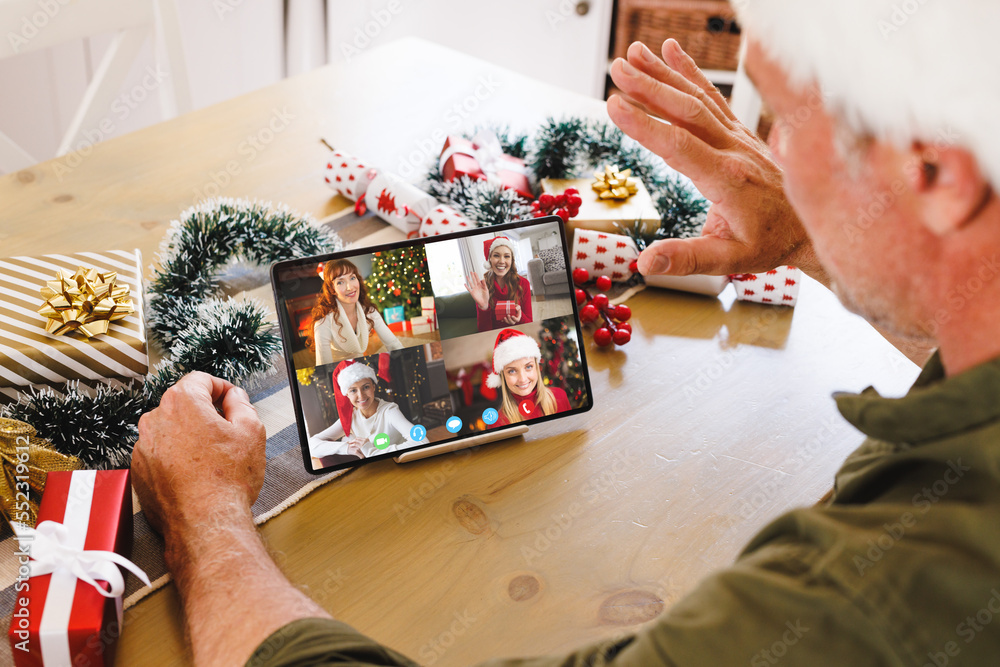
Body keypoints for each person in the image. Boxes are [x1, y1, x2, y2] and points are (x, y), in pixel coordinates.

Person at [131, 2, 1000, 664]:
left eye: (777, 115)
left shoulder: (870, 596)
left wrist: (203, 515)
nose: (761, 151)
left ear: (932, 173)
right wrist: (821, 229)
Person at [308, 359, 428, 459]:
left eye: (366, 387)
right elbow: (312, 445)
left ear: (373, 387)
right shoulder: (351, 417)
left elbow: (422, 441)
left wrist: (371, 451)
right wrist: (346, 448)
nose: (361, 396)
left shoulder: (389, 411)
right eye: (353, 390)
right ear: (347, 394)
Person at [312, 259, 402, 366]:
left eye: (352, 278)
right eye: (340, 282)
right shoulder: (323, 323)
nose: (350, 287)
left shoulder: (369, 311)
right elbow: (323, 364)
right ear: (332, 289)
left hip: (362, 366)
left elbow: (393, 343)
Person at [483, 328, 570, 428]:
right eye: (512, 371)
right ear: (503, 377)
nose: (523, 379)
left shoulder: (559, 396)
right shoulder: (497, 423)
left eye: (528, 367)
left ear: (536, 368)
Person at [464, 235, 533, 331]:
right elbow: (484, 331)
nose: (502, 261)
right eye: (496, 255)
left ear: (511, 260)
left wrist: (519, 318)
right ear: (489, 260)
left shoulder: (524, 283)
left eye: (507, 256)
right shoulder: (482, 287)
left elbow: (529, 324)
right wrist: (483, 307)